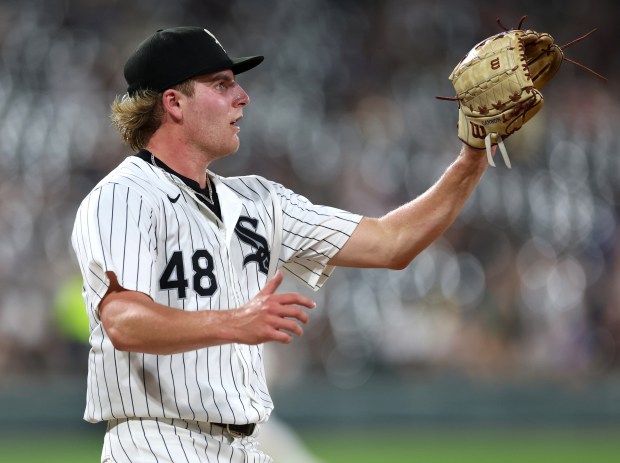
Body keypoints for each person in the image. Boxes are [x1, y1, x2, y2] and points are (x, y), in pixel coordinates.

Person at [71, 26, 494, 463]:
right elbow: (121, 320)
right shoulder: (124, 196)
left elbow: (392, 243)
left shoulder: (260, 201)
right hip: (156, 445)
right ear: (173, 103)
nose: (243, 96)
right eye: (221, 84)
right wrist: (234, 322)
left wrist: (472, 157)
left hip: (244, 447)